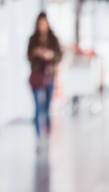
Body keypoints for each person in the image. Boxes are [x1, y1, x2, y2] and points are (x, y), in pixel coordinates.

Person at [27, 12, 62, 143]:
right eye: (40, 24)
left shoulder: (53, 39)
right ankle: (37, 136)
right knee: (37, 107)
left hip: (49, 76)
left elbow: (59, 56)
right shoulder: (33, 39)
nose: (42, 26)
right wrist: (36, 52)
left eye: (44, 23)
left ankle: (47, 135)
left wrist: (50, 55)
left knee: (47, 108)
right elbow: (28, 56)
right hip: (36, 77)